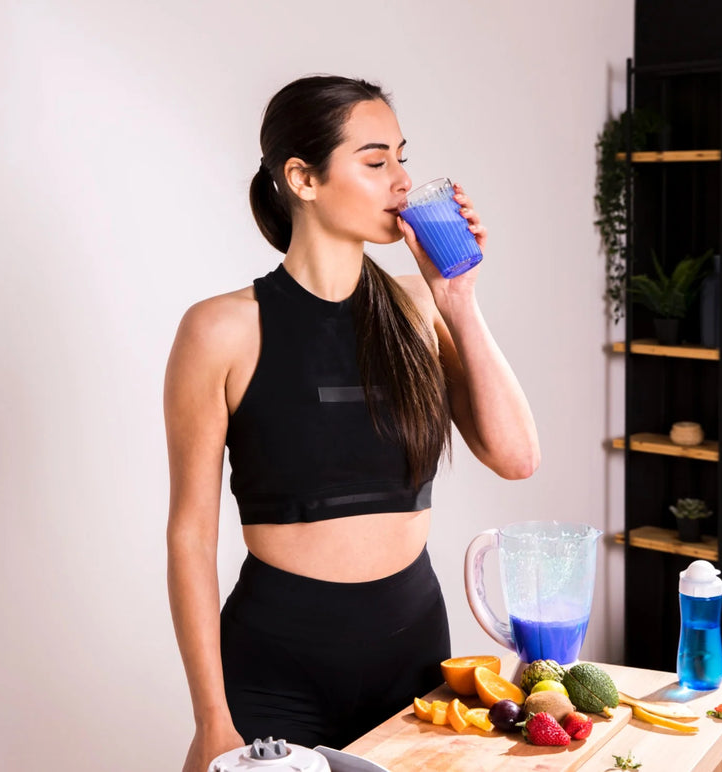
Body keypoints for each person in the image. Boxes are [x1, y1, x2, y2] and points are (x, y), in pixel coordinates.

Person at [163, 75, 540, 772]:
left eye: (402, 156)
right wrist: (212, 717)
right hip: (273, 672)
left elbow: (516, 456)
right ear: (302, 179)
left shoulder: (416, 308)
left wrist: (456, 300)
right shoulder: (219, 331)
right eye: (375, 162)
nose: (402, 180)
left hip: (413, 657)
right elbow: (190, 536)